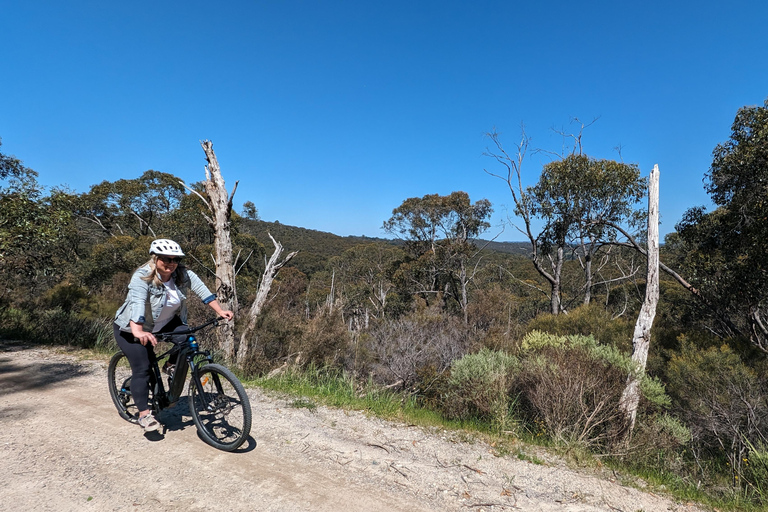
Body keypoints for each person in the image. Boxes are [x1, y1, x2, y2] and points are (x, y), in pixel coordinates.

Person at [113, 239, 234, 432]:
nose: (171, 263)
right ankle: (145, 415)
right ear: (155, 258)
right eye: (166, 259)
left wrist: (220, 311)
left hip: (165, 324)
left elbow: (203, 291)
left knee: (188, 338)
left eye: (175, 259)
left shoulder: (182, 274)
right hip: (132, 329)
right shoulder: (142, 276)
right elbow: (137, 303)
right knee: (143, 368)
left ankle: (170, 365)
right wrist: (137, 330)